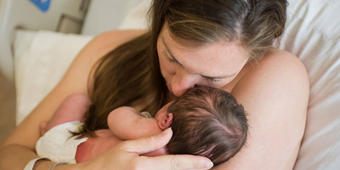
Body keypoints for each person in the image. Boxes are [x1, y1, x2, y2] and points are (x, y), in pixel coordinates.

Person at [0, 0, 309, 169]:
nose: (178, 88)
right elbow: (9, 155)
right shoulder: (106, 51)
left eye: (212, 79)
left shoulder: (275, 77)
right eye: (171, 57)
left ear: (253, 55)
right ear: (160, 21)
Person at [36, 86, 248, 166]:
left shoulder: (146, 130)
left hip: (60, 144)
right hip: (69, 164)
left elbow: (115, 117)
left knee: (78, 100)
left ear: (167, 119)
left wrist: (138, 117)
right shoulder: (168, 163)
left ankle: (49, 129)